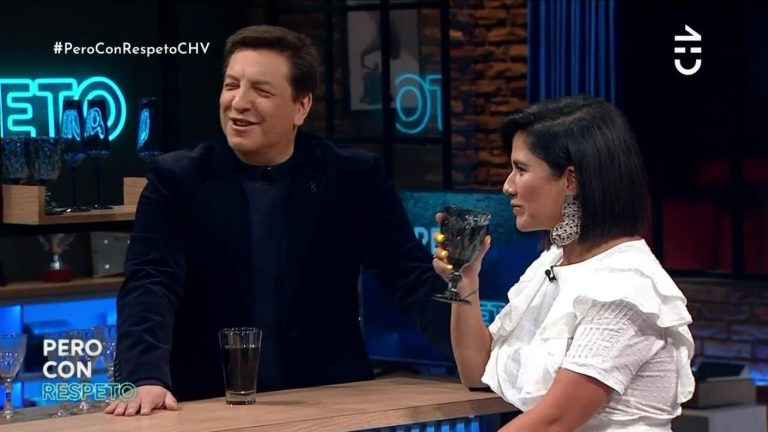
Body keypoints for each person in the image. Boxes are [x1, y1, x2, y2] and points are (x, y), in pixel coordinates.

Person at [107, 25, 451, 416]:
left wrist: (484, 359)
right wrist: (144, 378)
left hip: (326, 400)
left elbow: (409, 277)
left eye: (261, 91)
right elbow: (150, 282)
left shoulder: (352, 177)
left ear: (301, 106)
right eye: (231, 85)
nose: (238, 102)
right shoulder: (178, 180)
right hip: (207, 400)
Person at [433, 96, 694, 431]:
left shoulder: (625, 288)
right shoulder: (553, 264)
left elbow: (553, 422)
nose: (508, 186)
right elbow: (478, 372)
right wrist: (466, 281)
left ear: (571, 180)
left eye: (521, 169)